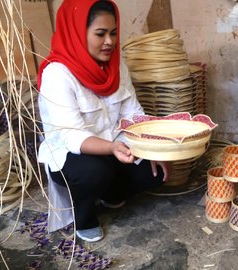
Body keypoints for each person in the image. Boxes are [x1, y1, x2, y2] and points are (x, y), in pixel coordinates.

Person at [37, 0, 171, 242]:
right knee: (94, 171)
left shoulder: (116, 65)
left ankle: (109, 194)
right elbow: (71, 136)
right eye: (100, 34)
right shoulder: (57, 74)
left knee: (155, 173)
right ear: (77, 33)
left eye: (113, 33)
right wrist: (111, 148)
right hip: (73, 156)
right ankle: (85, 217)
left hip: (114, 147)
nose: (109, 41)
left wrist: (153, 146)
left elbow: (133, 114)